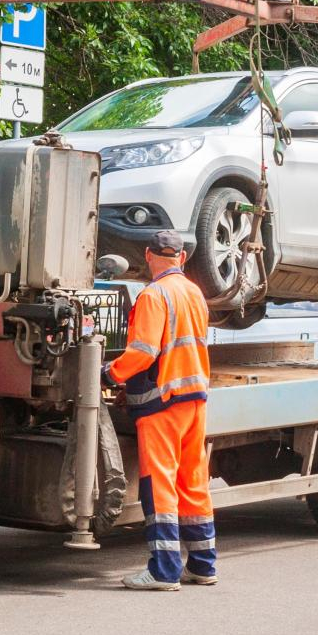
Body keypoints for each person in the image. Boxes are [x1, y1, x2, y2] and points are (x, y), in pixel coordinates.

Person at [102, 230, 217, 591]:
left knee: (160, 485)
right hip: (194, 399)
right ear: (182, 258)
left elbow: (143, 353)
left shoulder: (154, 295)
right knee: (193, 482)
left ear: (149, 255)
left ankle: (164, 571)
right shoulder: (194, 293)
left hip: (162, 402)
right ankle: (202, 565)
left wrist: (109, 373)